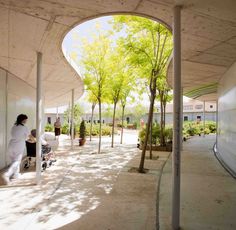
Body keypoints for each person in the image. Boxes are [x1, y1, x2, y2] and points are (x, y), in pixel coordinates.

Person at [2, 114, 29, 185]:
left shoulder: (14, 126)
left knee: (13, 161)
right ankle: (7, 174)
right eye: (26, 119)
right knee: (17, 161)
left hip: (11, 145)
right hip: (19, 145)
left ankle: (16, 175)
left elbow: (13, 135)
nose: (26, 121)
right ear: (23, 120)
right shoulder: (24, 127)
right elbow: (27, 137)